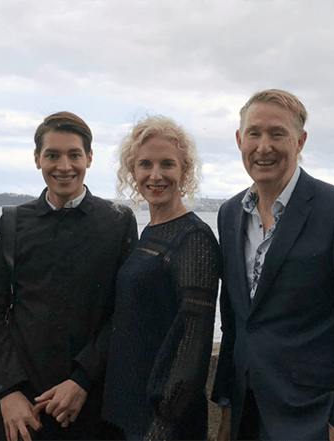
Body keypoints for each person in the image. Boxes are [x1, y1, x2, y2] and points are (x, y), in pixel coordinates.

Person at [210, 89, 334, 441]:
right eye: (254, 133)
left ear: (300, 141)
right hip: (247, 419)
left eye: (277, 133)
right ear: (239, 140)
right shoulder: (229, 215)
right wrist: (228, 409)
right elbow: (237, 325)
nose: (264, 146)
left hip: (315, 421)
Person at [0, 111, 138, 441]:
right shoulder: (13, 222)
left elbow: (125, 311)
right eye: (52, 155)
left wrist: (82, 379)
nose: (64, 166)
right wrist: (8, 391)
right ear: (37, 159)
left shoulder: (117, 221)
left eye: (74, 155)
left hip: (90, 399)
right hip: (22, 402)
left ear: (89, 158)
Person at [102, 116, 221, 440]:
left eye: (167, 164)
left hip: (163, 425)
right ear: (133, 172)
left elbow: (193, 344)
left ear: (185, 171)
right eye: (145, 164)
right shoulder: (152, 232)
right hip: (128, 414)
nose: (155, 175)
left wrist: (161, 427)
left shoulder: (193, 238)